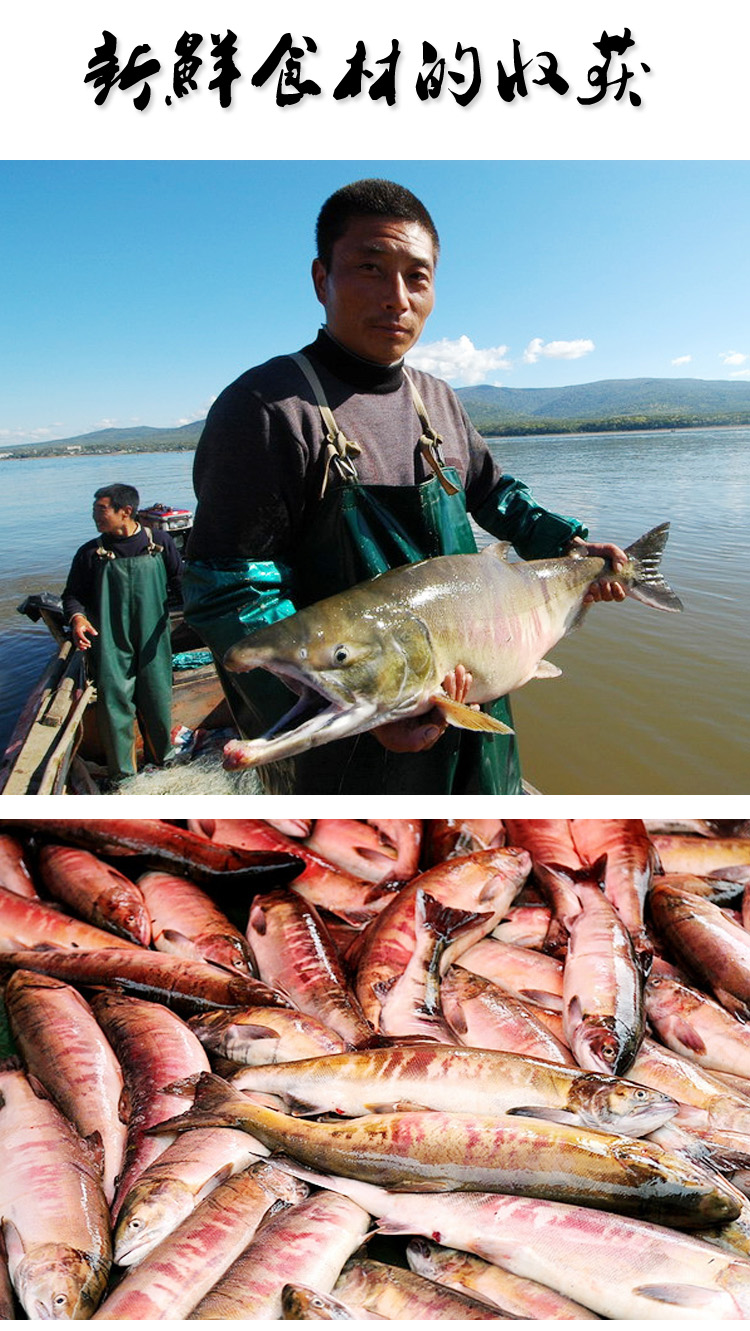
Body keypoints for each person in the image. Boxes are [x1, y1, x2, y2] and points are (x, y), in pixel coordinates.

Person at [183, 179, 626, 794]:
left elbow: (494, 495)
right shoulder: (268, 408)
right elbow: (225, 586)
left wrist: (573, 546)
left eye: (416, 277)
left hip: (473, 702)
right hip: (352, 743)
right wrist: (370, 708)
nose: (397, 297)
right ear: (321, 279)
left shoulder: (436, 398)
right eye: (370, 268)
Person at [62, 482, 183, 784]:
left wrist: (197, 617)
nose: (95, 517)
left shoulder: (161, 543)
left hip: (153, 636)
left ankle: (163, 760)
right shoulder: (90, 553)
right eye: (94, 510)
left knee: (156, 698)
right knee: (115, 705)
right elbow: (72, 595)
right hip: (110, 642)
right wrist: (77, 619)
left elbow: (182, 583)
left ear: (125, 511)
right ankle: (124, 777)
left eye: (101, 510)